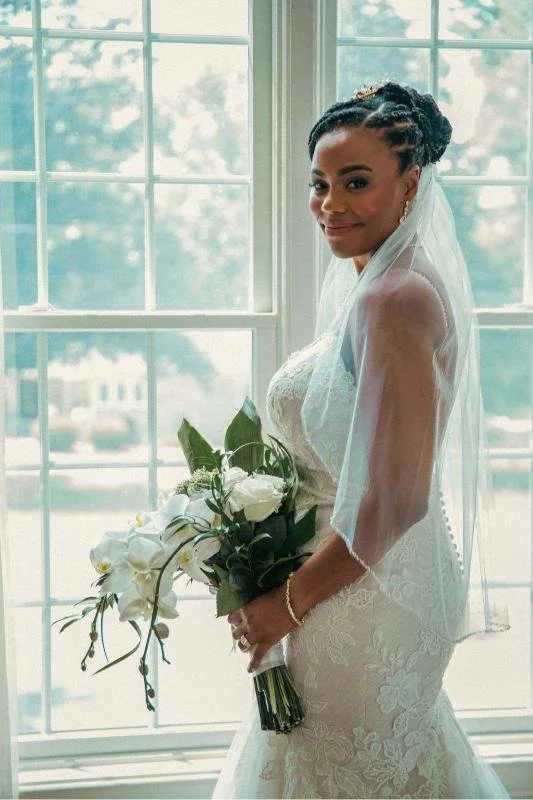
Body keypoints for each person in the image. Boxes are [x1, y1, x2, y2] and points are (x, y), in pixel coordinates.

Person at [212, 82, 510, 799]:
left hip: (363, 589)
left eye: (355, 182)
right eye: (318, 183)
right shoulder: (375, 284)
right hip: (360, 573)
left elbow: (394, 499)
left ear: (410, 185)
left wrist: (282, 603)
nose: (329, 203)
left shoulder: (393, 297)